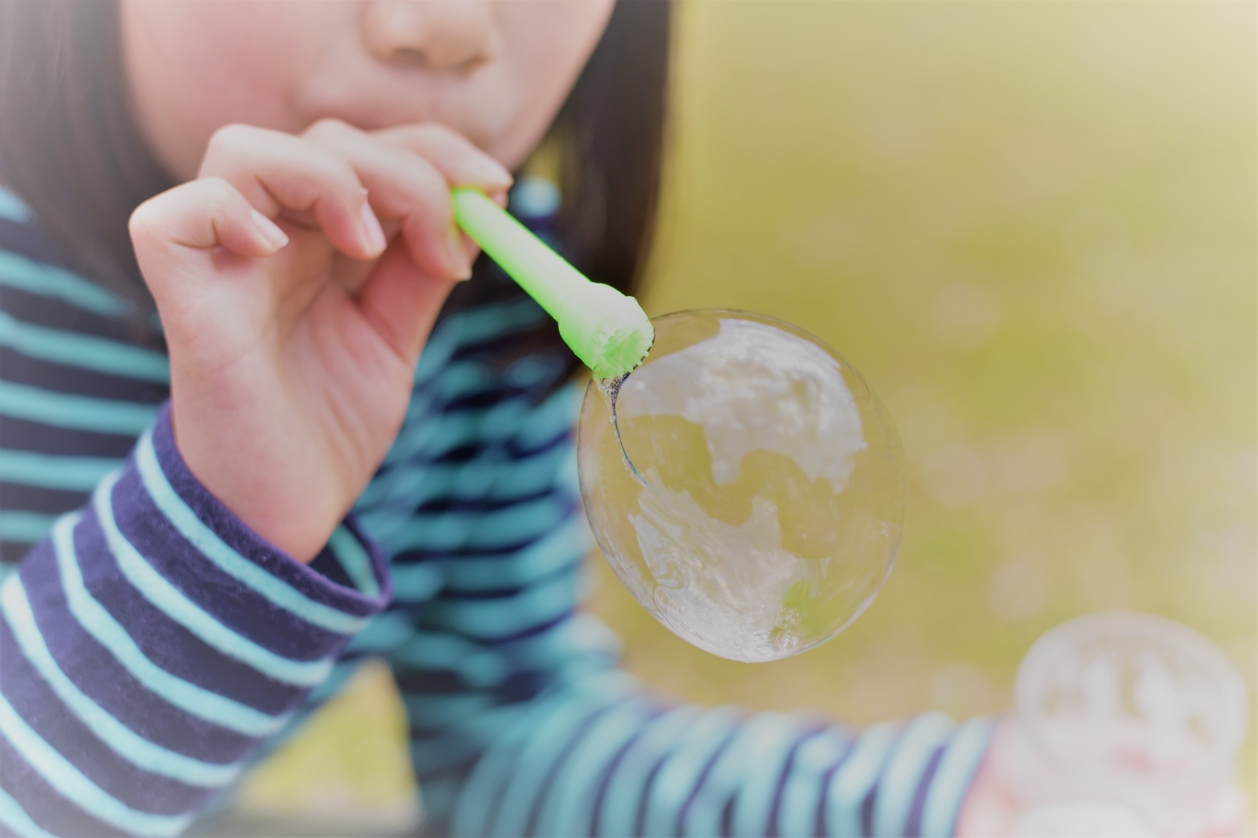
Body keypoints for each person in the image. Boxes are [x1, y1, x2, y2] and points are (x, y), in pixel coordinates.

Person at [0, 2, 997, 836]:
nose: (442, 25)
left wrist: (947, 804)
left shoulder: (474, 301)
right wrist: (219, 520)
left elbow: (510, 745)